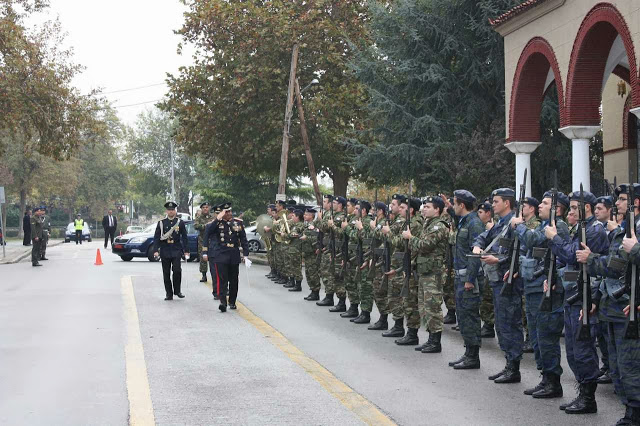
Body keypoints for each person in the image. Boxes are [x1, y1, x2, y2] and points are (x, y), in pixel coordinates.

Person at [577, 183, 640, 423]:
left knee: (630, 364)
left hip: (627, 306)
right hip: (613, 307)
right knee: (617, 365)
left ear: (636, 202)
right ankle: (629, 408)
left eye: (623, 199)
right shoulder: (624, 229)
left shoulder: (633, 231)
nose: (618, 204)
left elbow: (617, 266)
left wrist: (591, 259)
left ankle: (634, 411)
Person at [545, 189, 608, 414]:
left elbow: (571, 254)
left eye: (573, 207)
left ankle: (588, 398)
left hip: (586, 296)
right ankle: (582, 393)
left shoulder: (594, 230)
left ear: (586, 207)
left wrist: (554, 237)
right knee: (572, 349)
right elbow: (569, 259)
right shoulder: (581, 228)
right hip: (574, 294)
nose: (570, 211)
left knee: (583, 348)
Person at [511, 190, 569, 399]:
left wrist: (519, 225)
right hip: (536, 285)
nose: (540, 206)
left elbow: (532, 240)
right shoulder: (547, 225)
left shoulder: (557, 226)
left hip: (548, 289)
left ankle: (553, 382)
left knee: (546, 336)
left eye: (545, 203)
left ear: (557, 209)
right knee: (537, 335)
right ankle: (545, 377)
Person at [403, 195, 450, 353]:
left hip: (434, 273)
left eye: (428, 206)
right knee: (424, 307)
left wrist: (411, 238)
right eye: (423, 206)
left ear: (437, 210)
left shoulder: (439, 226)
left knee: (433, 307)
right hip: (425, 271)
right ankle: (431, 339)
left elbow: (425, 245)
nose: (424, 208)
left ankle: (436, 342)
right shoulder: (427, 224)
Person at [449, 190, 485, 370]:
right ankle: (468, 353)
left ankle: (473, 356)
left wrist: (470, 279)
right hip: (461, 277)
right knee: (462, 316)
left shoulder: (474, 223)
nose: (453, 206)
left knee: (470, 316)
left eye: (454, 203)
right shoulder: (464, 221)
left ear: (462, 205)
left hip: (469, 279)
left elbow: (475, 254)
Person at [202, 202, 249, 312]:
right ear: (222, 213)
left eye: (230, 211)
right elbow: (208, 232)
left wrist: (246, 254)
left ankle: (232, 301)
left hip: (234, 254)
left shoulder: (238, 223)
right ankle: (223, 302)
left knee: (234, 280)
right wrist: (218, 219)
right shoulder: (216, 224)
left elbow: (243, 239)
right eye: (226, 212)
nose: (229, 213)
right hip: (221, 254)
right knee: (222, 280)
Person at [152, 201, 189, 301]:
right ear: (166, 211)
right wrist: (156, 250)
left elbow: (184, 237)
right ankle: (169, 293)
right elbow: (156, 238)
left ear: (175, 211)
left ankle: (177, 290)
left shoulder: (180, 222)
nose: (171, 212)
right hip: (165, 250)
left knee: (177, 270)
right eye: (169, 210)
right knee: (166, 273)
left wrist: (186, 250)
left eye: (173, 210)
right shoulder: (161, 223)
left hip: (176, 250)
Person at [301, 207, 321, 300]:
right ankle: (312, 291)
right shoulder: (307, 225)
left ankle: (316, 292)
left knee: (313, 273)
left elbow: (316, 239)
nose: (304, 216)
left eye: (306, 214)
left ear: (311, 216)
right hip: (307, 252)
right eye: (304, 214)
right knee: (308, 273)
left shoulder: (314, 226)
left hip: (312, 253)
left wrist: (306, 238)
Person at [194, 202, 213, 283]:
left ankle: (214, 274)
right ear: (201, 209)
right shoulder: (199, 217)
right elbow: (196, 226)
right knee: (203, 258)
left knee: (213, 257)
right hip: (202, 240)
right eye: (204, 207)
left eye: (207, 207)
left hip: (212, 240)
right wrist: (205, 226)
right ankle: (204, 275)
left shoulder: (212, 216)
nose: (205, 209)